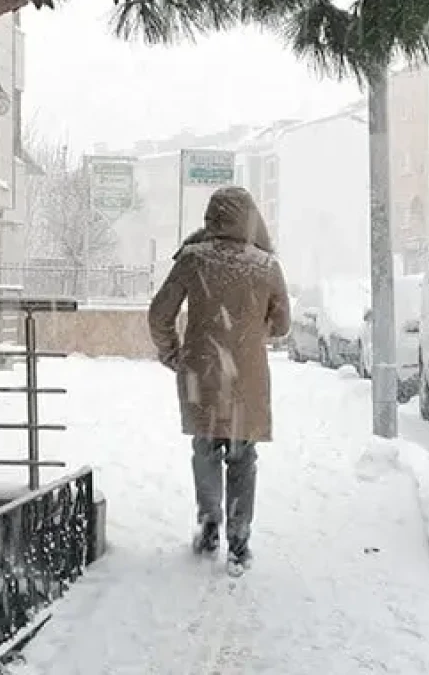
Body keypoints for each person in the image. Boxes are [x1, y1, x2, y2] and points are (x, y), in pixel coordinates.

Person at [148, 186, 290, 573]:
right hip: (247, 379)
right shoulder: (265, 266)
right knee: (243, 458)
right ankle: (239, 540)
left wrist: (173, 353)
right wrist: (250, 330)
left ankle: (210, 523)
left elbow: (159, 314)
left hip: (203, 374)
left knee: (206, 450)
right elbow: (281, 325)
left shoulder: (193, 259)